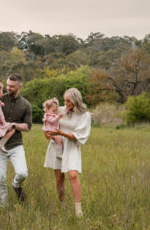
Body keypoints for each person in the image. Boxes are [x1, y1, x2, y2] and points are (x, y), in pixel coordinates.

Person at [44, 88, 91, 217]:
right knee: (59, 178)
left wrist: (61, 133)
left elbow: (78, 136)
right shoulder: (61, 110)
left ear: (75, 100)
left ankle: (78, 211)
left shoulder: (84, 115)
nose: (66, 104)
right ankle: (62, 204)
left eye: (68, 101)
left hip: (72, 146)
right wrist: (47, 133)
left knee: (73, 175)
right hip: (57, 145)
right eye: (64, 101)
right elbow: (48, 118)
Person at [0, 73, 32, 207]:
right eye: (7, 85)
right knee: (0, 180)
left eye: (12, 86)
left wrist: (14, 125)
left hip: (15, 145)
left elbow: (27, 127)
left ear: (20, 86)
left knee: (22, 173)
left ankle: (16, 185)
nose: (8, 88)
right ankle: (4, 208)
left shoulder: (26, 105)